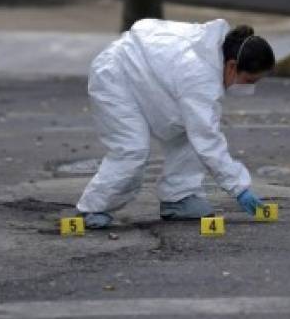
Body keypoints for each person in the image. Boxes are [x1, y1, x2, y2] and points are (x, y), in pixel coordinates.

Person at [76, 20, 276, 229]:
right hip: (114, 76)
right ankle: (93, 207)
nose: (249, 89)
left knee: (188, 131)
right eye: (250, 81)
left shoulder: (211, 51)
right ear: (232, 65)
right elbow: (208, 139)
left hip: (144, 75)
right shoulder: (200, 77)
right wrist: (239, 188)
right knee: (132, 149)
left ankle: (179, 196)